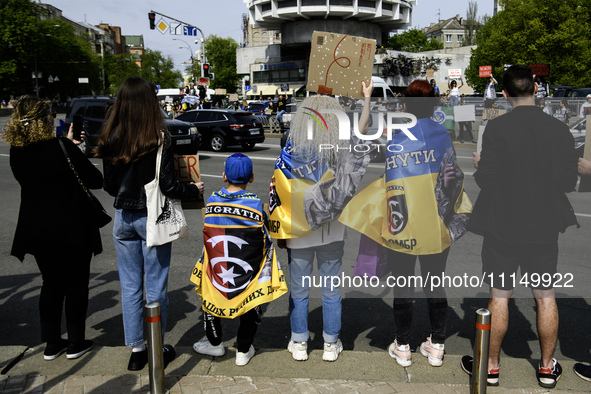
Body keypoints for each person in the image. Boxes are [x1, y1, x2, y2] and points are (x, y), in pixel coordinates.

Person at [462, 65, 578, 389]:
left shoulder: (496, 129)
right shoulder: (559, 129)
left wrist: (479, 165)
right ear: (537, 87)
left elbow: (486, 179)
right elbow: (569, 181)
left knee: (499, 296)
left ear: (504, 93)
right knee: (545, 296)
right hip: (543, 227)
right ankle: (545, 367)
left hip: (503, 225)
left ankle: (492, 367)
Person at [342, 80, 471, 368]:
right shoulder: (444, 136)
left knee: (403, 284)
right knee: (434, 283)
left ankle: (402, 346)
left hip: (403, 225)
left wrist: (365, 100)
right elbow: (454, 182)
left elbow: (360, 140)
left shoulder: (397, 139)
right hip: (436, 225)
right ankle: (436, 346)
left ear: (404, 106)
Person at [95, 77, 205, 371]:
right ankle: (156, 346)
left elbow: (108, 185)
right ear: (149, 103)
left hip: (123, 218)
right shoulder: (158, 136)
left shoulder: (111, 135)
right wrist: (193, 191)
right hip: (152, 219)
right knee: (155, 287)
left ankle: (136, 349)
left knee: (130, 287)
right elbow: (168, 186)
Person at [269, 81, 374, 362]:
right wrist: (366, 99)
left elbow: (279, 188)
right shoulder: (340, 144)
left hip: (298, 227)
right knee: (331, 289)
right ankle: (330, 344)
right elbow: (362, 134)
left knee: (299, 290)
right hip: (333, 228)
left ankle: (299, 342)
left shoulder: (293, 145)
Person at [5, 95, 102, 361]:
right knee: (76, 284)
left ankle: (51, 343)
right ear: (42, 119)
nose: (53, 118)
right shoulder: (60, 146)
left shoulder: (17, 151)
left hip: (36, 228)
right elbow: (95, 180)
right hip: (72, 226)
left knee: (51, 284)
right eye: (49, 114)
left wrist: (67, 147)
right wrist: (73, 148)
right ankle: (76, 342)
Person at [192, 153, 286, 366]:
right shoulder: (255, 206)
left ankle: (214, 343)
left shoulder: (212, 200)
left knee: (209, 290)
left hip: (218, 267)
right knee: (251, 298)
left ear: (224, 175)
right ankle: (243, 349)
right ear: (251, 178)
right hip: (246, 270)